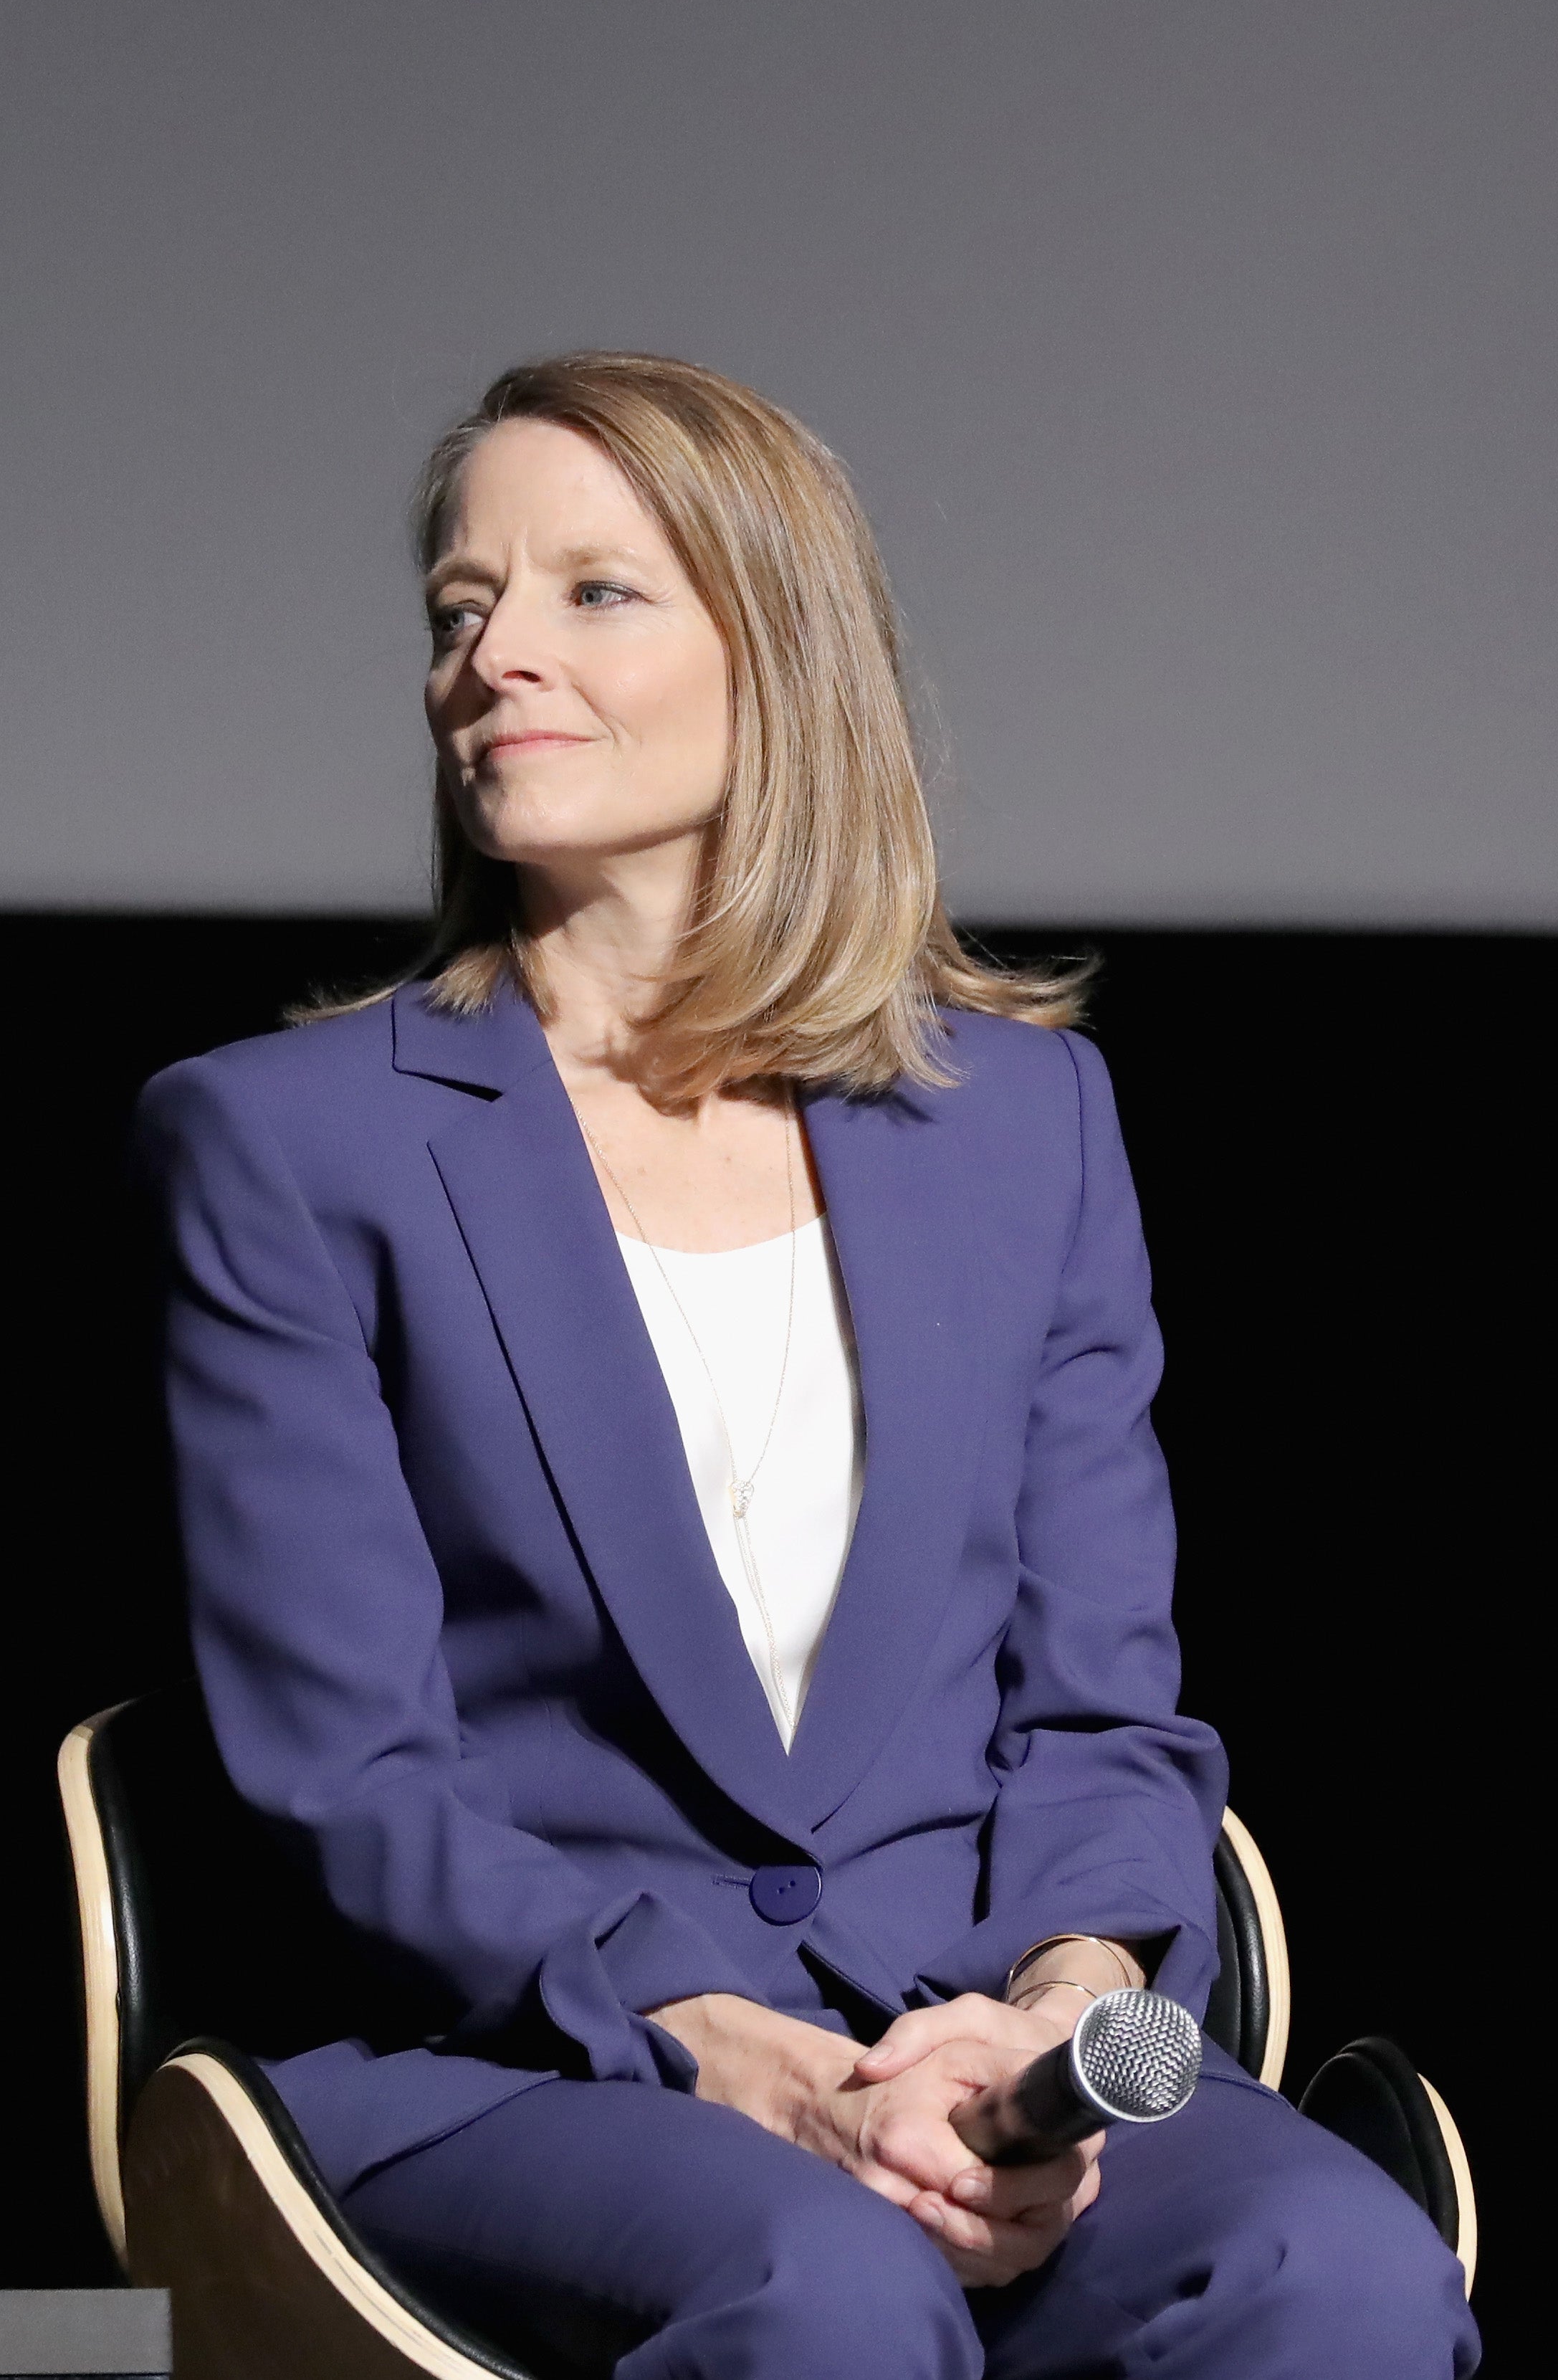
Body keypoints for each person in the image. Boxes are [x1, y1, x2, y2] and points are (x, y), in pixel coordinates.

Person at [136, 353, 1478, 2379]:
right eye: (459, 606)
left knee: (1339, 2274)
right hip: (528, 2060)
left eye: (594, 590)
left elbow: (1104, 1707)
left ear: (780, 649)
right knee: (831, 2297)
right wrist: (742, 2052)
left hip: (974, 2043)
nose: (494, 652)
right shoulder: (287, 1143)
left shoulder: (1026, 1126)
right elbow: (352, 1775)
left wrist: (1054, 2008)